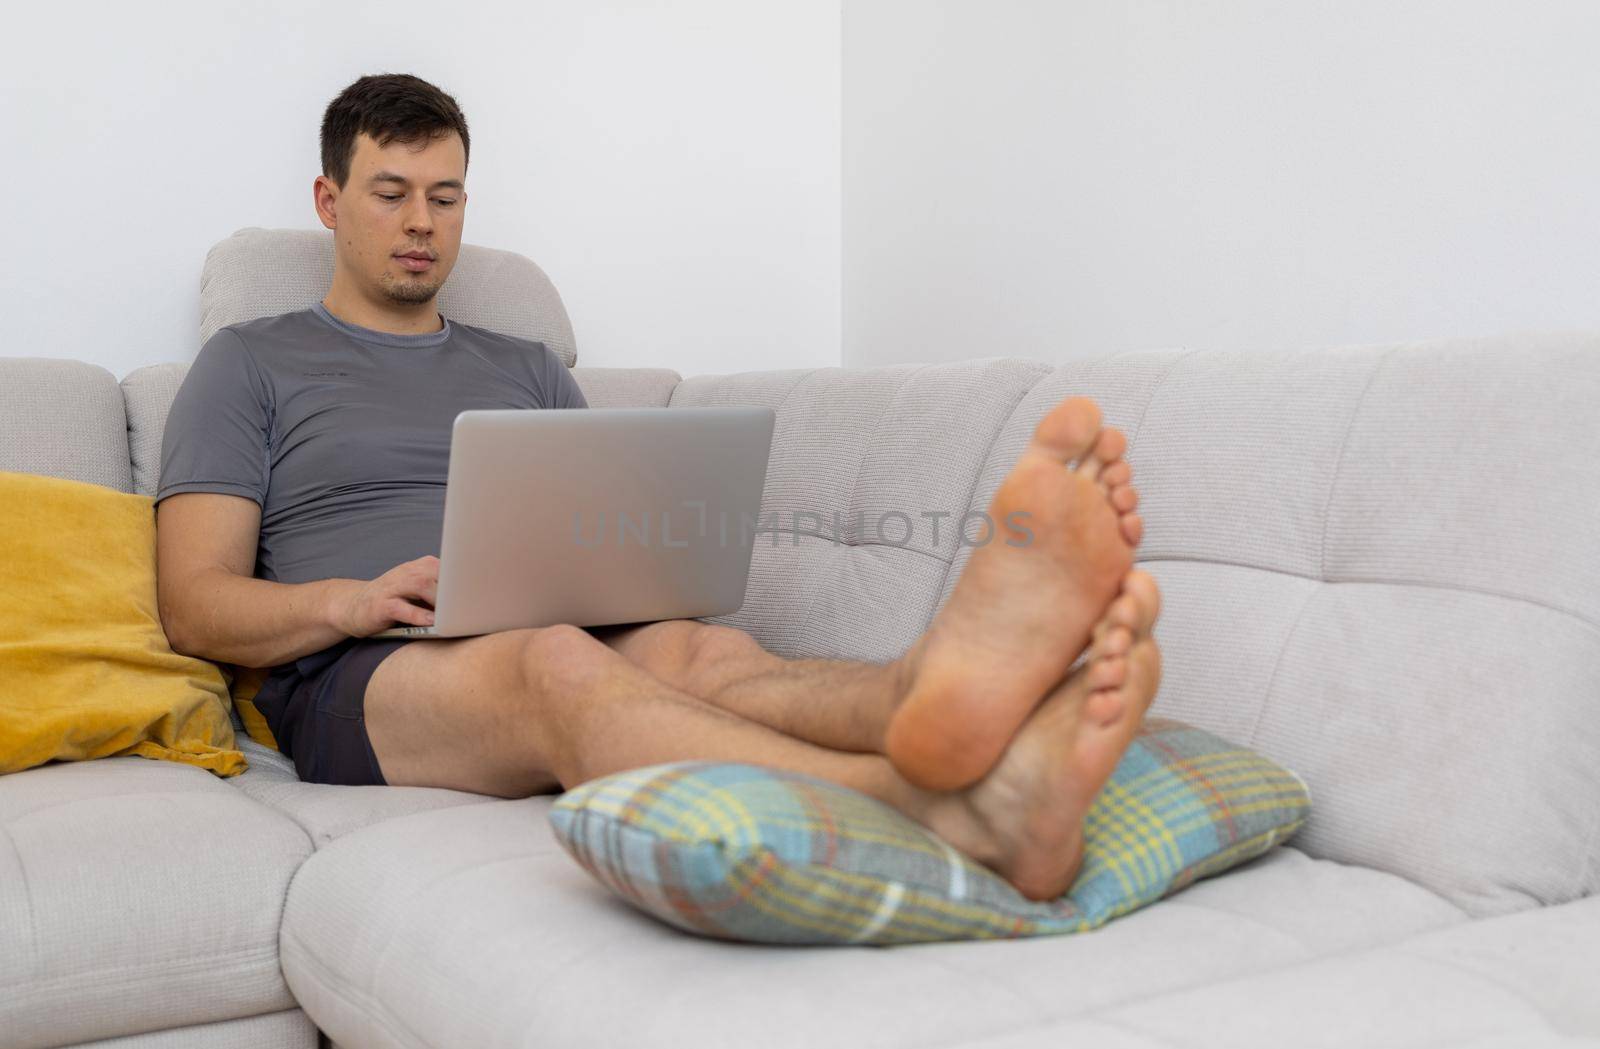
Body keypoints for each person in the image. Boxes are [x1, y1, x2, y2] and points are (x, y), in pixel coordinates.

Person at [156, 73, 1163, 903]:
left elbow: (600, 527)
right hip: (359, 670)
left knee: (703, 647)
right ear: (329, 202)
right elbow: (193, 600)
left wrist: (643, 568)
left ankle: (923, 692)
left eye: (446, 196)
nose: (422, 222)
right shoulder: (249, 362)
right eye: (391, 193)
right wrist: (351, 599)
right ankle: (950, 807)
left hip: (544, 619)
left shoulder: (527, 365)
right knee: (551, 661)